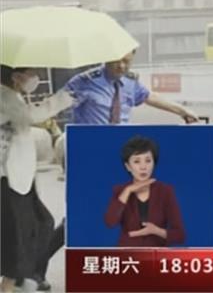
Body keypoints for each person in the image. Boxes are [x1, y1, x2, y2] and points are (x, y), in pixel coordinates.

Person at [1, 66, 73, 293]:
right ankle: (14, 283)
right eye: (31, 73)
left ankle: (24, 278)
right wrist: (65, 97)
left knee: (40, 225)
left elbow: (23, 120)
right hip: (8, 177)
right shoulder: (5, 95)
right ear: (16, 76)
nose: (36, 78)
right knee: (22, 234)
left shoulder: (13, 96)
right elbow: (32, 115)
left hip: (19, 176)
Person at [63, 50, 199, 125]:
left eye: (126, 61)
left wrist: (183, 111)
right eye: (116, 61)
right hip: (90, 144)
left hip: (122, 144)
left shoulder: (130, 82)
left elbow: (149, 97)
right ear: (106, 59)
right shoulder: (85, 81)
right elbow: (57, 103)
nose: (121, 66)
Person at [105, 136, 185, 247]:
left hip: (156, 257)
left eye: (148, 161)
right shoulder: (120, 191)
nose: (143, 167)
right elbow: (110, 222)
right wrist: (128, 191)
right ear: (128, 166)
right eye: (137, 161)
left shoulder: (165, 191)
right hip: (127, 258)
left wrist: (156, 231)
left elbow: (180, 235)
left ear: (154, 163)